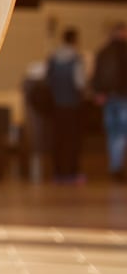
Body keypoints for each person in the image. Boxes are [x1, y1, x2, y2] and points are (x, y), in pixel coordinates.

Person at [45, 27, 87, 184]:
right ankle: (71, 172)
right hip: (72, 105)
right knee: (72, 140)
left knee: (58, 139)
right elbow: (80, 83)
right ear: (75, 40)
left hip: (56, 105)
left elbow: (48, 80)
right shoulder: (76, 59)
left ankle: (58, 172)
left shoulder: (53, 58)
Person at [92, 22, 127, 182]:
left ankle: (115, 165)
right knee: (121, 133)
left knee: (113, 133)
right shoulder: (123, 51)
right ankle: (116, 167)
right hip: (122, 96)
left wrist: (99, 92)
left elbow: (96, 75)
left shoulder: (103, 51)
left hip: (107, 97)